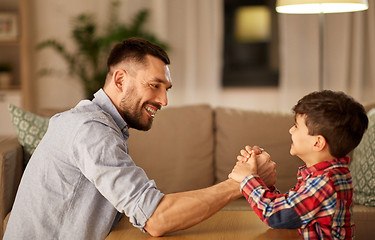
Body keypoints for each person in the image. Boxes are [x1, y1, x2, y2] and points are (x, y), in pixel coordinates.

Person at [4, 37, 276, 240]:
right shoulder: (90, 130)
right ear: (120, 80)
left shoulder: (101, 125)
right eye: (154, 85)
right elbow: (155, 218)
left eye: (166, 88)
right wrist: (241, 184)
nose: (164, 100)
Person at [229, 90, 368, 239]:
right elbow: (291, 211)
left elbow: (277, 216)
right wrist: (261, 182)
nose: (290, 130)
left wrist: (248, 178)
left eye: (296, 126)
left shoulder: (325, 183)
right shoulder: (325, 175)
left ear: (317, 142)